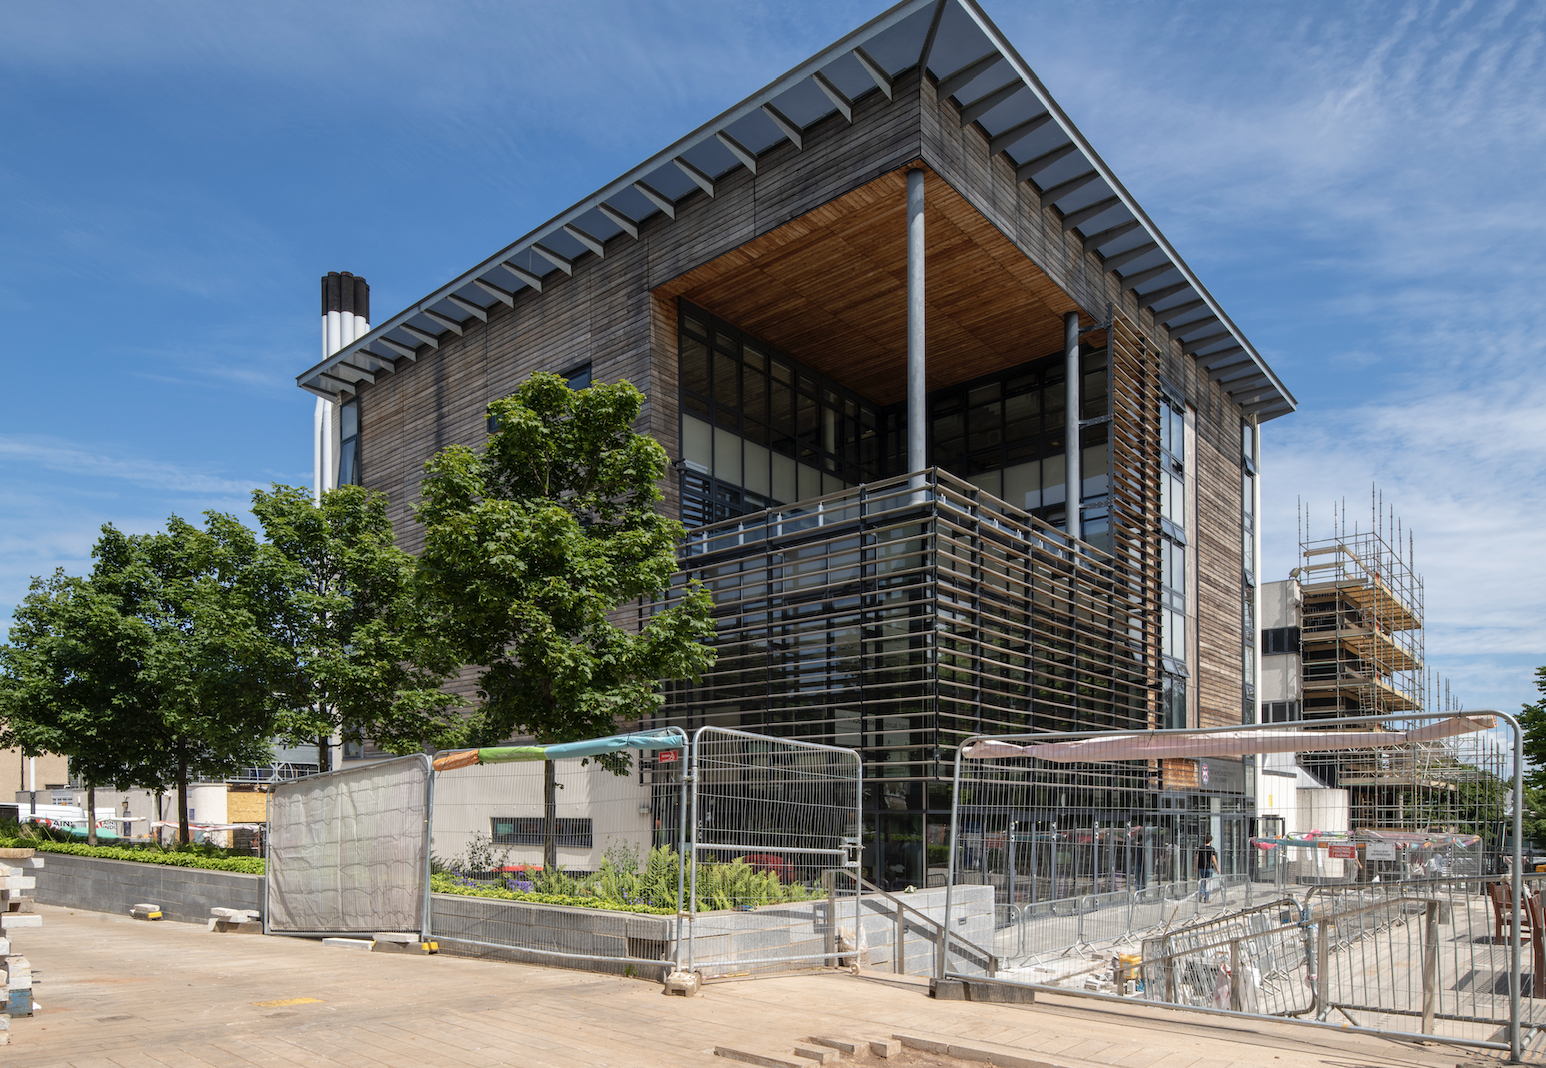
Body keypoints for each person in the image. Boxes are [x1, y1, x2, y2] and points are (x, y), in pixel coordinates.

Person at [1197, 835, 1219, 903]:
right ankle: (1206, 899)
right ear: (1211, 841)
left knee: (1202, 881)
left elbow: (1196, 858)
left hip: (1201, 867)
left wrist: (1195, 867)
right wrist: (1217, 868)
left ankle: (1201, 893)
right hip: (1209, 868)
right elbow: (1214, 859)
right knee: (1208, 883)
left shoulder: (1200, 848)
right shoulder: (1211, 849)